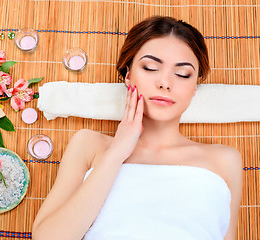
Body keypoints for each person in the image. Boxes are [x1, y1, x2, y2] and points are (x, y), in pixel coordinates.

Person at [32, 16, 243, 240]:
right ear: (128, 75)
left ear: (194, 88)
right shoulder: (89, 145)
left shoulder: (225, 160)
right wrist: (116, 153)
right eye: (150, 67)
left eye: (182, 74)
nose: (165, 82)